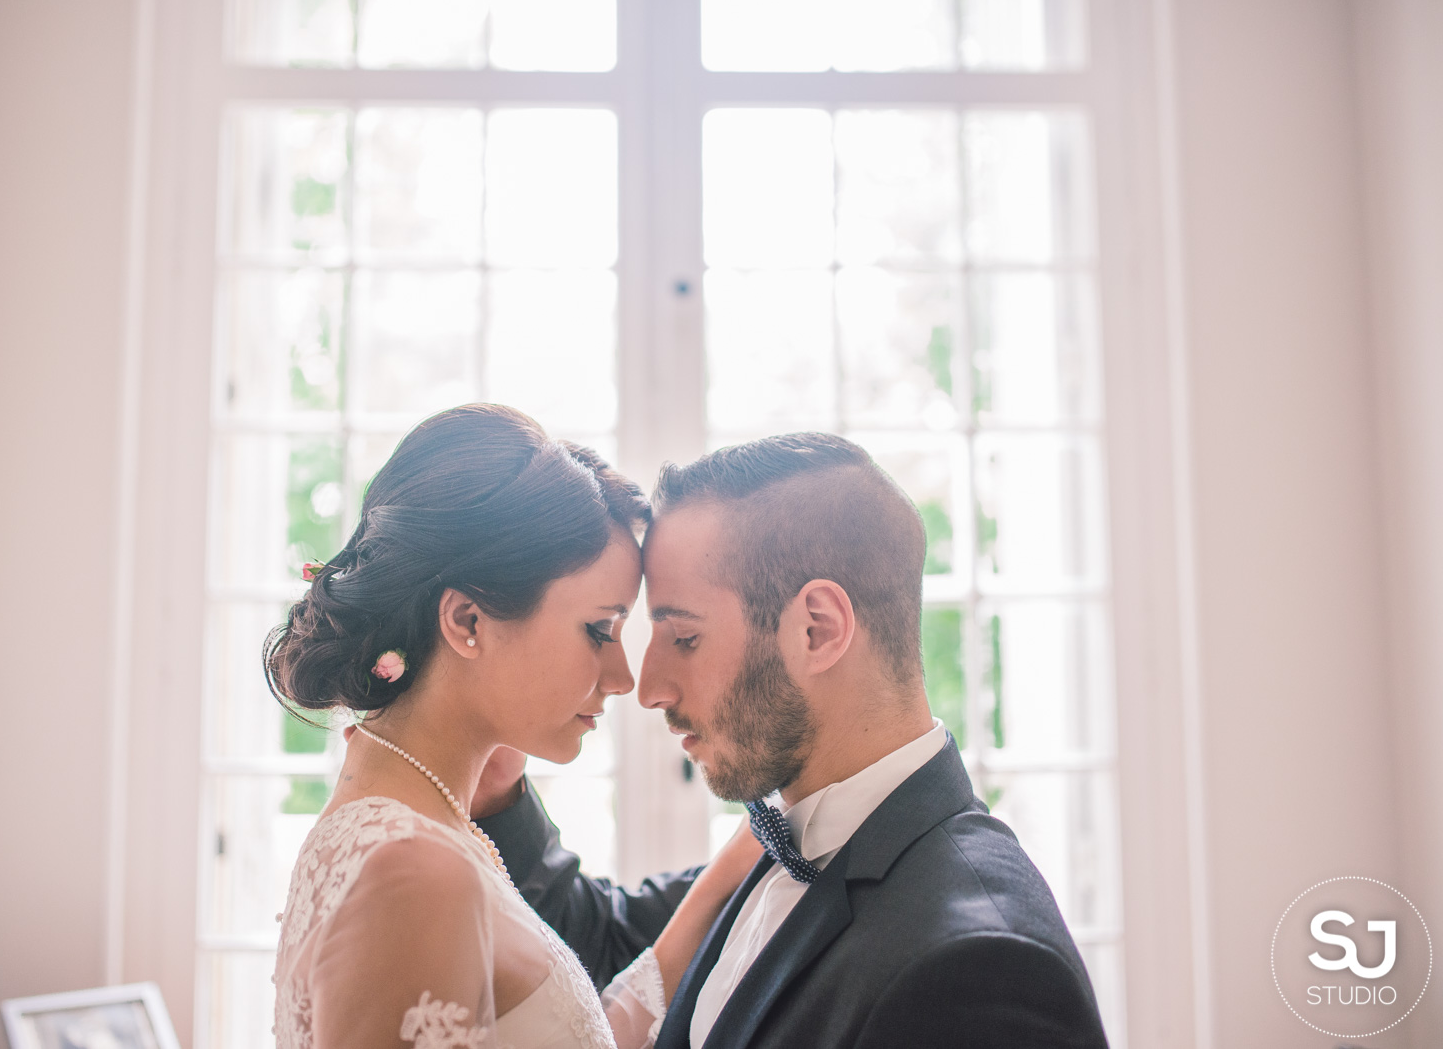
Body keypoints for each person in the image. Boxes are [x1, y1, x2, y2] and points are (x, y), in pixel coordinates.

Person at [477, 433, 1110, 1049]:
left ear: (817, 630)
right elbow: (609, 956)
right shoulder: (782, 838)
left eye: (685, 638)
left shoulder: (984, 971)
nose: (650, 689)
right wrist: (497, 774)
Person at [267, 404, 763, 1049]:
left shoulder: (413, 825)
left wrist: (729, 874)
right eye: (598, 630)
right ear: (468, 622)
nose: (623, 678)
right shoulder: (414, 871)